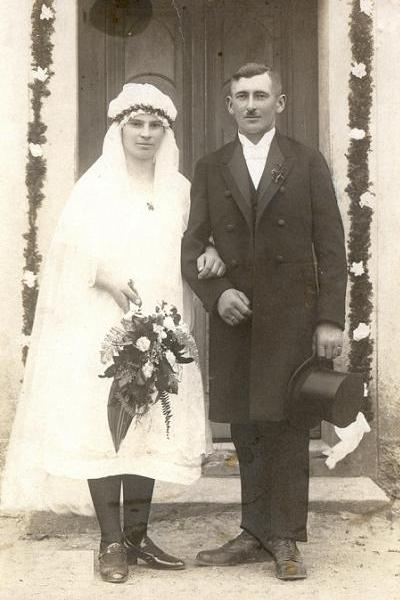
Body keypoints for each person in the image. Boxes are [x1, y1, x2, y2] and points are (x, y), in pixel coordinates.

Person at [1, 83, 225, 583]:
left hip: (160, 322)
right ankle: (110, 542)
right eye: (136, 125)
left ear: (166, 133)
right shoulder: (96, 185)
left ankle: (138, 538)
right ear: (120, 130)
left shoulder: (179, 189)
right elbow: (65, 252)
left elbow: (196, 242)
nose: (145, 134)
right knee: (106, 429)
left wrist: (211, 250)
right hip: (102, 323)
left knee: (147, 423)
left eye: (155, 126)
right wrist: (105, 276)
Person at [181, 63, 347, 580]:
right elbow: (192, 246)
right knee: (246, 430)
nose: (251, 105)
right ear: (229, 106)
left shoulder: (306, 161)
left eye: (260, 95)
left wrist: (329, 320)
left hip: (293, 319)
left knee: (289, 428)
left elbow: (331, 246)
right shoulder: (211, 166)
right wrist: (217, 294)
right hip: (237, 320)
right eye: (242, 97)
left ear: (280, 103)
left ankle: (286, 538)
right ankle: (254, 531)